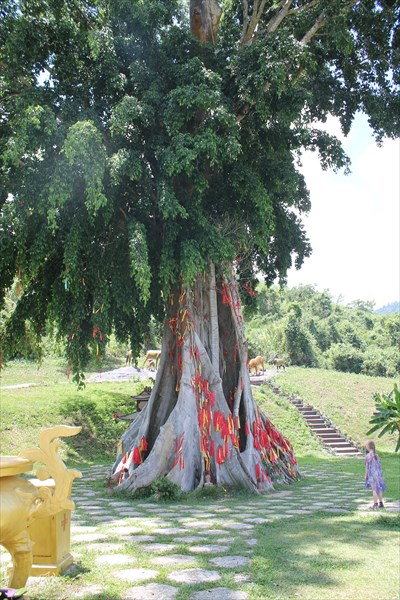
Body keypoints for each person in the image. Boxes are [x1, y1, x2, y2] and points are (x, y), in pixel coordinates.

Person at [365, 440, 386, 509]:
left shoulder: (368, 456)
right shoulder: (376, 455)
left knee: (374, 489)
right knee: (379, 488)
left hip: (372, 475)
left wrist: (366, 475)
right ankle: (381, 503)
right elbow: (380, 466)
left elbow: (367, 467)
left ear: (367, 447)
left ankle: (375, 504)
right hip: (378, 474)